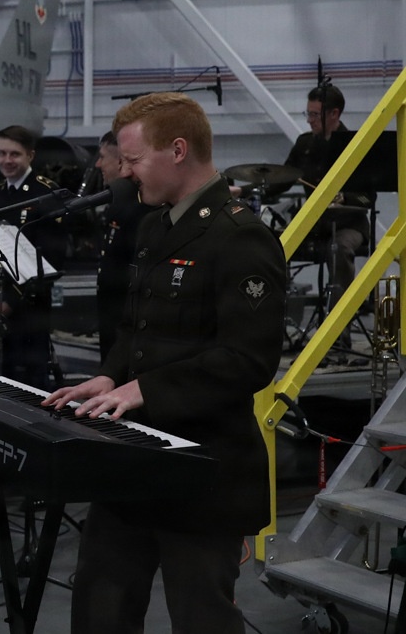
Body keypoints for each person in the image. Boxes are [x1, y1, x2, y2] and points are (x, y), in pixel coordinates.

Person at [42, 92, 286, 634]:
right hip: (133, 461)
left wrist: (142, 389)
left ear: (178, 150)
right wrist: (110, 374)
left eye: (132, 161)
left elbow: (247, 359)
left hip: (203, 473)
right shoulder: (155, 226)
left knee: (201, 617)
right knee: (99, 603)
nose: (124, 174)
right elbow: (137, 328)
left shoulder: (241, 236)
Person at [0, 124, 66, 389]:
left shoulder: (47, 195)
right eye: (2, 154)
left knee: (31, 384)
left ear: (30, 156)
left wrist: (11, 301)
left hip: (29, 309)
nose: (7, 161)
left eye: (15, 154)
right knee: (0, 381)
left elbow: (53, 257)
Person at [284, 84, 373, 313]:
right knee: (273, 245)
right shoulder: (304, 144)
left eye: (314, 115)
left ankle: (338, 330)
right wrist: (245, 190)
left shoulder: (354, 146)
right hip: (314, 226)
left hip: (349, 226)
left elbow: (367, 199)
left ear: (334, 114)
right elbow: (281, 179)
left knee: (339, 248)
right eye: (308, 113)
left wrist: (343, 197)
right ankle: (278, 326)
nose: (309, 120)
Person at [93, 131, 156, 362]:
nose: (99, 164)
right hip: (111, 315)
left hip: (129, 324)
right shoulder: (118, 203)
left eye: (103, 157)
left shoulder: (140, 208)